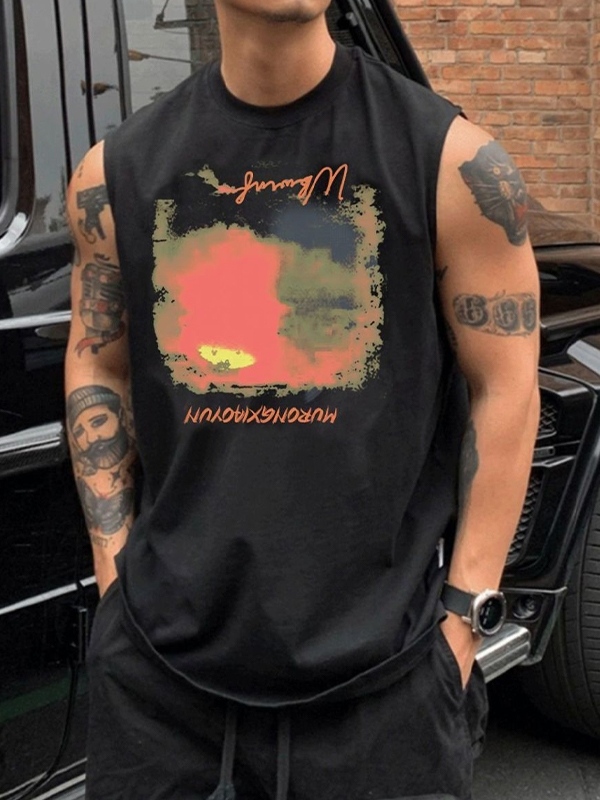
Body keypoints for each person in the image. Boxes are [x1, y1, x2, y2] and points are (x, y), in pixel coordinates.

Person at [64, 2, 540, 798]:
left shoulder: (453, 162)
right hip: (161, 693)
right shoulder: (116, 172)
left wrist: (465, 616)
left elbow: (506, 386)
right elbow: (98, 365)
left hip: (384, 689)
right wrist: (115, 582)